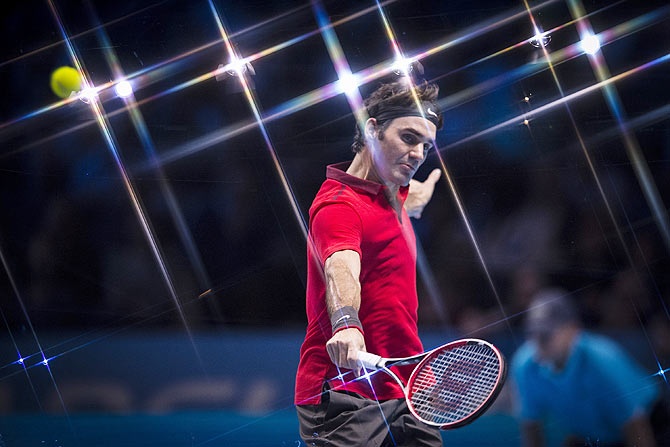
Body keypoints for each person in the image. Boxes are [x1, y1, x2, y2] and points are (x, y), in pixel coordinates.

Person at [294, 81, 444, 446]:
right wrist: (346, 323)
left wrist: (417, 199)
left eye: (426, 146)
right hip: (345, 387)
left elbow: (393, 213)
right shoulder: (339, 206)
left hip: (409, 387)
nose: (419, 154)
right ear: (371, 128)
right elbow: (340, 267)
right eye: (408, 138)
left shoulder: (393, 191)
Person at [511, 288, 660, 447]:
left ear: (572, 330)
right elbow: (531, 426)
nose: (538, 342)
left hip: (649, 424)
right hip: (592, 435)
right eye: (533, 333)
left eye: (545, 335)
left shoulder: (602, 360)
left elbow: (636, 426)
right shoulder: (523, 365)